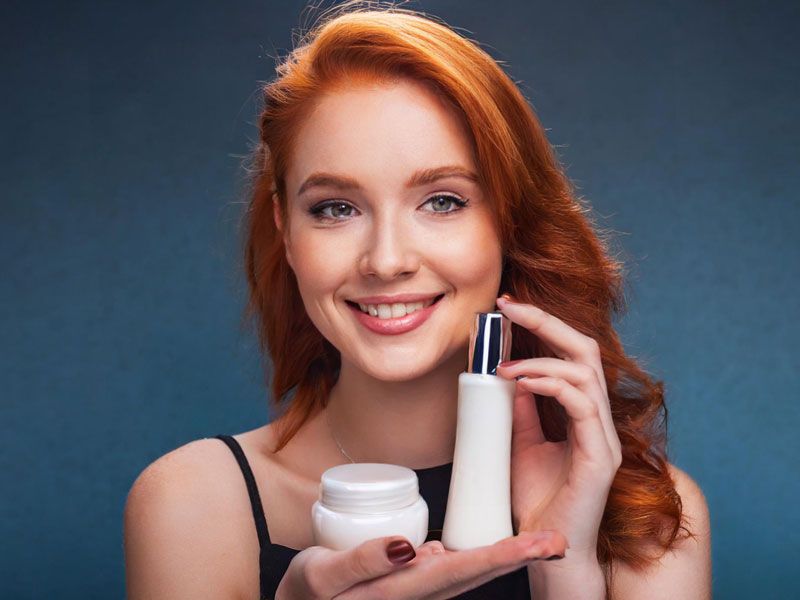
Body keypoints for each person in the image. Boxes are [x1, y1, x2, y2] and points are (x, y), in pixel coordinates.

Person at [123, 2, 712, 598]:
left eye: (443, 201)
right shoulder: (191, 503)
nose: (386, 260)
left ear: (510, 223)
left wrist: (562, 568)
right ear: (285, 231)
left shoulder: (649, 516)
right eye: (336, 208)